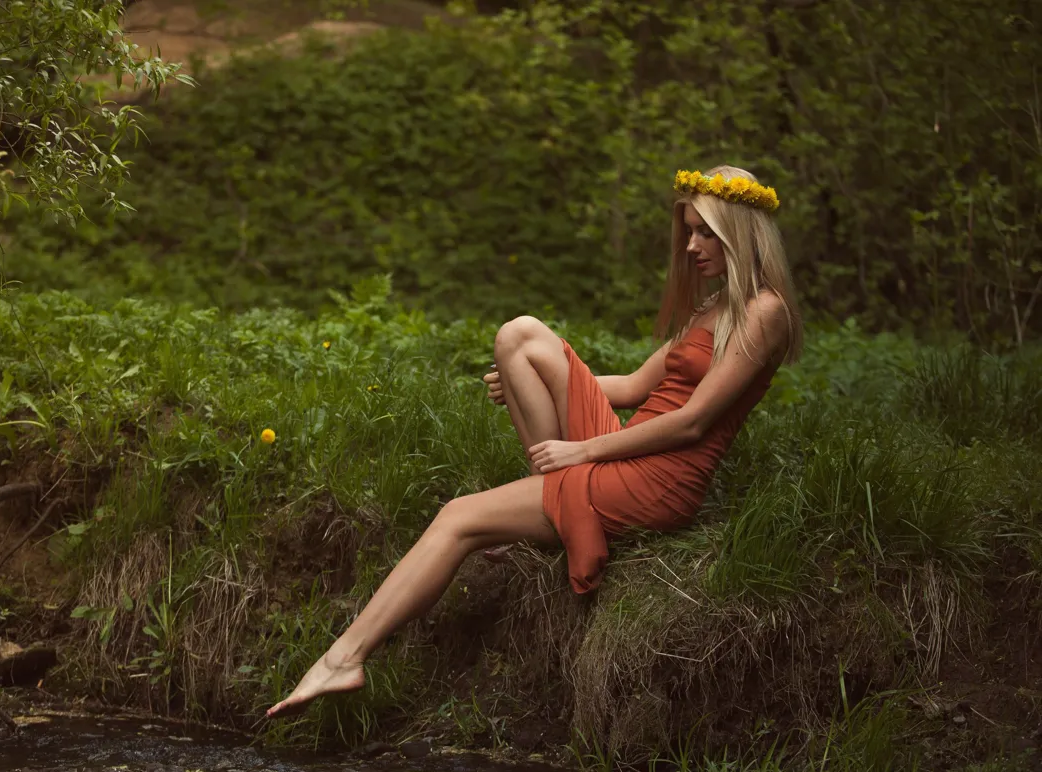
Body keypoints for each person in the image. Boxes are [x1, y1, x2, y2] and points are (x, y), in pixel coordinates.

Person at [265, 165, 804, 719]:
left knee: (457, 517)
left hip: (660, 478)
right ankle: (554, 498)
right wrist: (532, 376)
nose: (691, 246)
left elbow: (692, 422)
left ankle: (344, 658)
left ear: (740, 230)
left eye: (704, 232)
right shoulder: (710, 308)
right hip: (634, 451)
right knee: (520, 338)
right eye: (689, 230)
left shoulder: (765, 313)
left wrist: (583, 451)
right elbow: (634, 388)